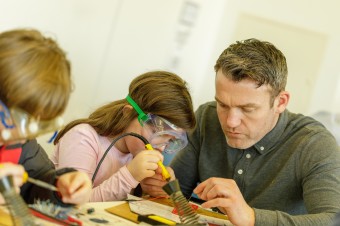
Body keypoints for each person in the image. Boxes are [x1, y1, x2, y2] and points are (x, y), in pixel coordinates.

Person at [140, 39, 340, 225]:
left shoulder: (314, 144)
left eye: (247, 109)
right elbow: (176, 196)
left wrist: (252, 218)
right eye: (223, 105)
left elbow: (333, 220)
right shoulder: (206, 117)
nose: (231, 122)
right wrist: (158, 189)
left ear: (280, 102)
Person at [51, 70, 196, 202]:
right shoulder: (83, 138)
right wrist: (130, 176)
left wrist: (152, 190)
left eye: (170, 140)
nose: (161, 147)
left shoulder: (135, 152)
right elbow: (73, 203)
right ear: (128, 113)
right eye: (155, 133)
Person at [0, 28, 91, 205]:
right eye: (16, 120)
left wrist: (60, 187)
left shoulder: (21, 145)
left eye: (33, 125)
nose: (15, 139)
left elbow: (37, 180)